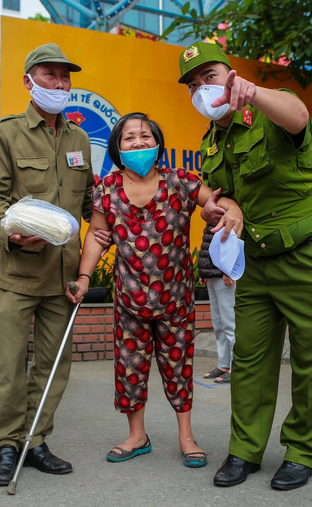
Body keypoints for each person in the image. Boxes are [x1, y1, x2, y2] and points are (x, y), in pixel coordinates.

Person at [179, 41, 312, 490]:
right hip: (256, 258)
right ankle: (245, 449)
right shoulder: (211, 141)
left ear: (230, 75)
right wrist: (221, 205)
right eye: (193, 85)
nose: (201, 89)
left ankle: (304, 451)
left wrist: (253, 93)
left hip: (310, 250)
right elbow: (217, 194)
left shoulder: (268, 110)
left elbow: (299, 115)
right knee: (249, 357)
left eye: (209, 77)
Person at [66, 112, 243, 468]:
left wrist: (230, 209)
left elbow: (216, 202)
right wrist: (84, 278)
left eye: (145, 136)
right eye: (129, 137)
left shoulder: (180, 181)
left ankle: (186, 436)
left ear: (158, 143)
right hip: (129, 299)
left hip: (175, 299)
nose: (138, 143)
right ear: (118, 147)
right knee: (130, 368)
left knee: (179, 366)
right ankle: (137, 436)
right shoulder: (106, 189)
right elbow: (95, 238)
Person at [0, 43, 112, 487]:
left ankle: (35, 440)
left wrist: (112, 218)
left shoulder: (77, 139)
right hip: (17, 272)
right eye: (50, 75)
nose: (59, 84)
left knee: (54, 366)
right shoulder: (5, 133)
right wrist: (8, 232)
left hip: (63, 276)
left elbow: (89, 201)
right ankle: (5, 445)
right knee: (11, 365)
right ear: (29, 81)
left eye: (64, 77)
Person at [199, 222, 236, 384]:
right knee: (218, 323)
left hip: (224, 276)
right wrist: (203, 270)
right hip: (212, 275)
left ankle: (236, 367)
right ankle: (223, 364)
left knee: (230, 323)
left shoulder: (231, 214)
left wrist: (229, 269)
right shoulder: (212, 216)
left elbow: (234, 242)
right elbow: (207, 245)